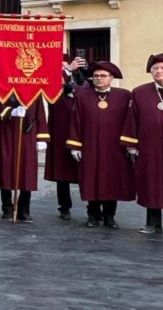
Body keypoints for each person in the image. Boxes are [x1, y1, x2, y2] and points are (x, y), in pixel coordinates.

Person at [66, 61, 134, 228]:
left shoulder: (124, 96)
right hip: (90, 147)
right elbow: (76, 122)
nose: (98, 79)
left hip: (115, 149)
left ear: (111, 78)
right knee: (91, 180)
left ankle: (110, 216)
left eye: (103, 76)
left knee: (113, 181)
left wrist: (129, 144)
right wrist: (75, 145)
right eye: (95, 76)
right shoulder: (82, 97)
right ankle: (93, 215)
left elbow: (130, 122)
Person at [0, 91, 48, 222]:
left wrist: (41, 136)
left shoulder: (34, 88)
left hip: (27, 134)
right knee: (6, 170)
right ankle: (7, 208)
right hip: (5, 132)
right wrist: (11, 111)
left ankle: (24, 209)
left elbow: (40, 114)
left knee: (27, 172)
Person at [120, 54, 163, 234]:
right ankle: (152, 223)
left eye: (162, 68)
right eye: (155, 69)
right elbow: (132, 120)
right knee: (151, 183)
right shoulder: (140, 92)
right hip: (149, 147)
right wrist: (131, 144)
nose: (158, 72)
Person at [45, 56, 87, 220]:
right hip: (61, 133)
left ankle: (92, 207)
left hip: (82, 133)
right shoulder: (52, 84)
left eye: (66, 65)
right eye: (61, 66)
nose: (65, 67)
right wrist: (67, 70)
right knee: (62, 174)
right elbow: (54, 88)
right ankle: (64, 207)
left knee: (86, 171)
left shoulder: (83, 83)